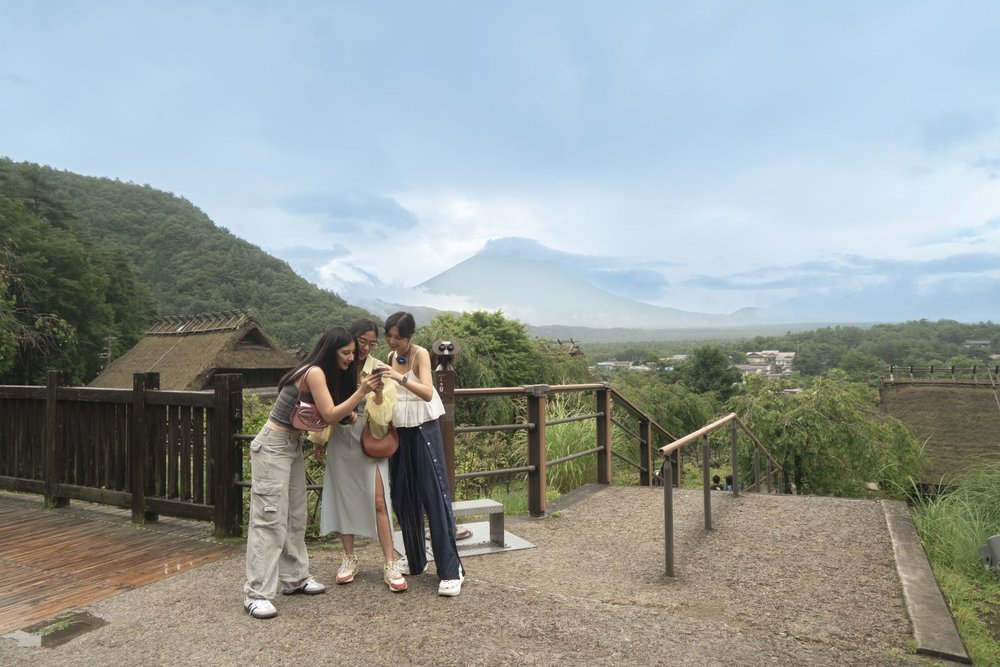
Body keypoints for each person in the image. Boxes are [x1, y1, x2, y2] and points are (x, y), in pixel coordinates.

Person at [243, 326, 380, 619]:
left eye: (353, 353)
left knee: (295, 515)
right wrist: (361, 391)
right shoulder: (315, 371)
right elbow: (330, 414)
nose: (351, 357)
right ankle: (256, 593)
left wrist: (350, 411)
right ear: (331, 351)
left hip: (292, 446)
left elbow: (330, 413)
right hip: (274, 446)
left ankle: (294, 579)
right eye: (347, 352)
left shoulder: (326, 375)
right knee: (269, 519)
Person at [311, 318, 407, 592]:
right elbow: (325, 407)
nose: (364, 349)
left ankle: (390, 562)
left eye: (370, 343)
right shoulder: (338, 366)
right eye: (360, 342)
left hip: (369, 437)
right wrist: (318, 439)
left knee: (379, 500)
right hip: (341, 438)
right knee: (344, 497)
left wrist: (376, 396)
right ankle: (349, 558)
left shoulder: (378, 368)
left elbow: (384, 415)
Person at [380, 311, 465, 596]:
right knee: (402, 494)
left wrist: (397, 377)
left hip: (423, 428)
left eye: (398, 337)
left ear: (410, 336)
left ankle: (452, 570)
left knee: (433, 494)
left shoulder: (419, 355)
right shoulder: (392, 357)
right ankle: (416, 559)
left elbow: (428, 392)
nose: (393, 342)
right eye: (389, 336)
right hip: (399, 429)